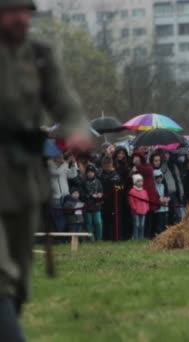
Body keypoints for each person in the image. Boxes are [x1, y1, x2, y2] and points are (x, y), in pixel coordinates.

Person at [0, 1, 92, 338]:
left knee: (20, 282)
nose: (20, 18)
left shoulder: (39, 55)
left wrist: (77, 129)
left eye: (25, 10)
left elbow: (65, 103)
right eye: (11, 11)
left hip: (24, 180)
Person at [47, 154, 79, 232]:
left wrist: (73, 164)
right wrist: (66, 162)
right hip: (55, 197)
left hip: (65, 196)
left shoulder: (63, 166)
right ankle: (60, 236)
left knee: (67, 217)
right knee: (59, 217)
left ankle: (65, 235)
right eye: (59, 157)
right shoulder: (49, 166)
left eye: (62, 157)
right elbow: (57, 173)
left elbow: (72, 175)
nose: (62, 159)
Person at [99, 156, 121, 240]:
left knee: (114, 220)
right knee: (105, 219)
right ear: (103, 165)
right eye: (106, 164)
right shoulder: (100, 174)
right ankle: (105, 237)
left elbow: (121, 187)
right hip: (104, 200)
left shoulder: (116, 174)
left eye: (109, 164)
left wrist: (117, 189)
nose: (108, 166)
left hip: (115, 201)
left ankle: (115, 237)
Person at [82, 165, 103, 241]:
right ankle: (91, 239)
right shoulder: (83, 182)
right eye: (88, 172)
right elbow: (82, 194)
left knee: (98, 222)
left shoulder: (98, 181)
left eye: (92, 172)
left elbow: (101, 190)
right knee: (89, 223)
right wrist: (90, 195)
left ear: (94, 173)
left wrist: (100, 194)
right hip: (87, 205)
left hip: (97, 205)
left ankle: (99, 239)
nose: (90, 173)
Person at [128, 174, 149, 240]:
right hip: (136, 211)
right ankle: (135, 237)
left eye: (141, 181)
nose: (140, 183)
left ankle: (141, 237)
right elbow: (131, 201)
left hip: (143, 210)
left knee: (142, 225)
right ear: (135, 182)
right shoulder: (132, 191)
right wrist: (134, 208)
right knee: (136, 224)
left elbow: (147, 200)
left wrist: (147, 207)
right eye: (138, 181)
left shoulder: (144, 191)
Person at [153, 169, 170, 235]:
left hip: (165, 207)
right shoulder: (154, 187)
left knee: (165, 223)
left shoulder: (163, 185)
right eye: (157, 178)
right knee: (159, 224)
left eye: (160, 177)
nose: (159, 179)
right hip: (158, 209)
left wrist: (166, 198)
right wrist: (160, 199)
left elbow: (167, 194)